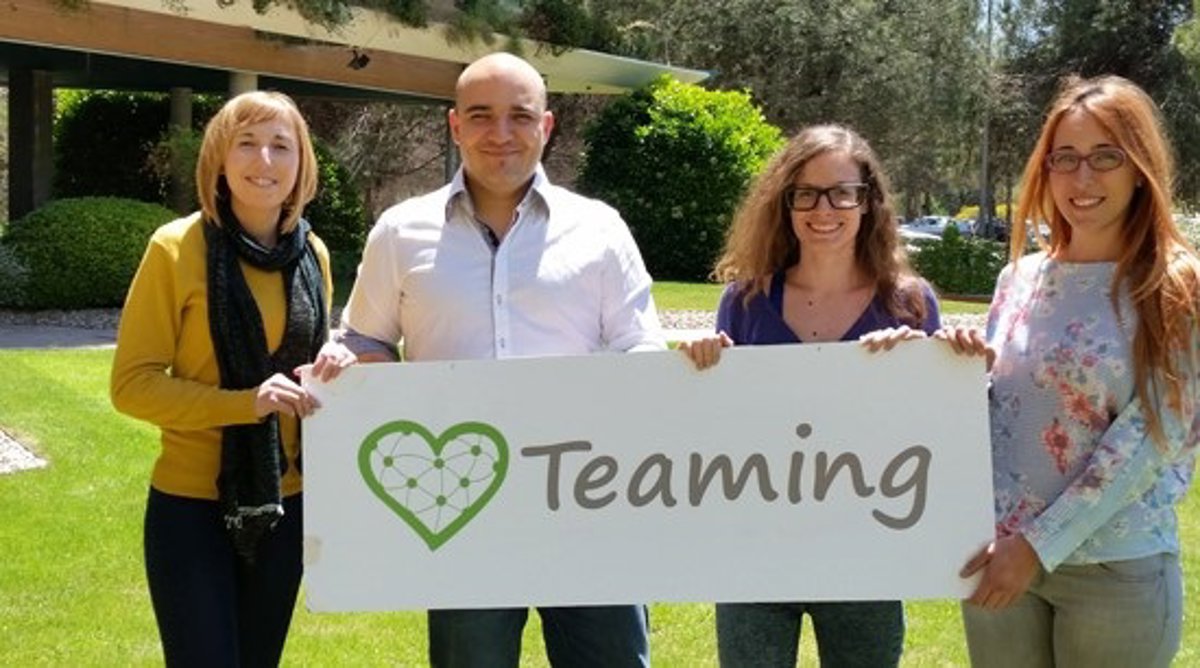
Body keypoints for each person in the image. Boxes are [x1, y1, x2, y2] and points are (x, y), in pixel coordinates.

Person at [337, 52, 664, 666]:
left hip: (589, 500)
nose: (501, 133)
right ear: (455, 125)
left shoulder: (600, 229)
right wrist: (358, 370)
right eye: (482, 115)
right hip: (464, 508)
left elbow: (641, 347)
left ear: (547, 125)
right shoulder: (400, 232)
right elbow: (364, 340)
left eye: (520, 115)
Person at [935, 75, 1200, 667]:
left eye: (1106, 156)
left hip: (1112, 569)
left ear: (1140, 169)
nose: (1083, 178)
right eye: (1066, 158)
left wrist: (1037, 546)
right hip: (998, 561)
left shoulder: (1176, 286)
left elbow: (1150, 439)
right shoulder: (1019, 279)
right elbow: (1005, 410)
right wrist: (954, 372)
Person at [110, 90, 356, 667]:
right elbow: (132, 385)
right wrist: (246, 403)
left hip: (288, 505)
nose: (264, 161)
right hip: (192, 508)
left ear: (302, 163)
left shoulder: (312, 254)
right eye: (247, 143)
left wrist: (335, 362)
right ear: (219, 158)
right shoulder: (176, 248)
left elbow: (307, 372)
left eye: (281, 146)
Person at [681, 124, 939, 667]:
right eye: (806, 194)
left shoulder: (909, 304)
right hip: (755, 551)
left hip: (868, 555)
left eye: (842, 192)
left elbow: (937, 435)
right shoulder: (746, 300)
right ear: (786, 203)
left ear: (868, 202)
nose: (824, 209)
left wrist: (923, 367)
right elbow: (717, 427)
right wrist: (701, 367)